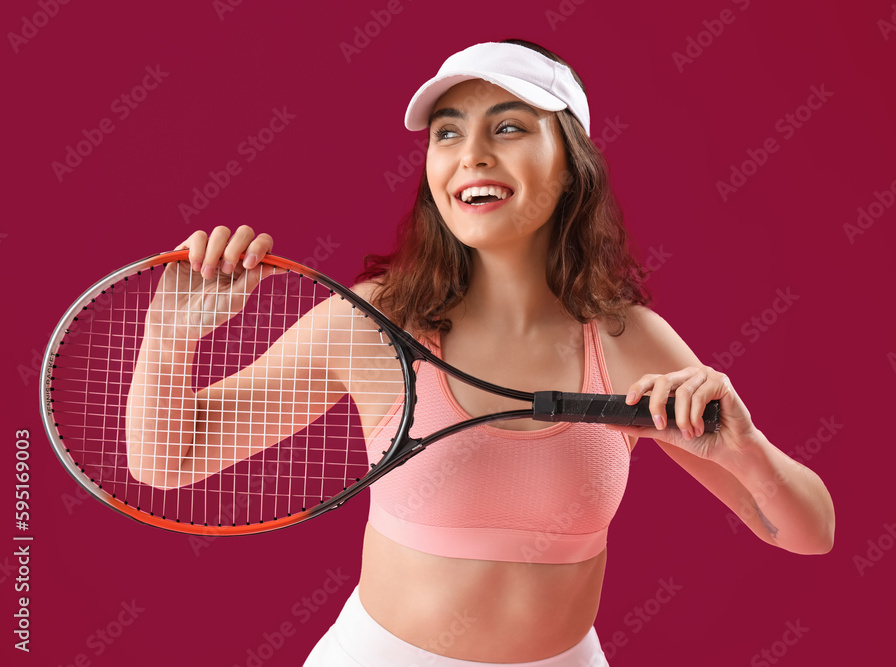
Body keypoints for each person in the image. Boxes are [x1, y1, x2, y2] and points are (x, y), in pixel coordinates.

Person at [173, 39, 835, 666]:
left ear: (572, 162)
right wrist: (172, 337)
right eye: (448, 131)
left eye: (510, 126)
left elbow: (808, 532)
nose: (473, 154)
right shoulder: (378, 320)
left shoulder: (626, 340)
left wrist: (747, 453)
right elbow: (170, 459)